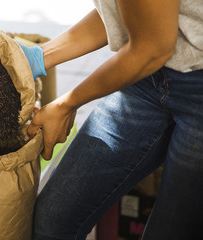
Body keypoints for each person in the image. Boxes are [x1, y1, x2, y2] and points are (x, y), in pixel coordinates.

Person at [18, 0, 203, 239]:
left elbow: (152, 49)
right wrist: (42, 56)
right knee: (52, 221)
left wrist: (67, 104)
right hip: (148, 78)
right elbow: (128, 11)